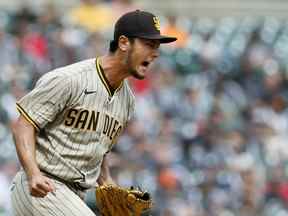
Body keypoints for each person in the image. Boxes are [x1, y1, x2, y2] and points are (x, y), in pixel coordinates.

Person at [10, 10, 177, 215]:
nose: (155, 52)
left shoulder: (127, 101)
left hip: (73, 195)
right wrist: (32, 173)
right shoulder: (71, 79)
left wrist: (108, 185)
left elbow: (99, 151)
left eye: (157, 47)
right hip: (42, 186)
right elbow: (23, 124)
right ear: (124, 43)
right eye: (149, 44)